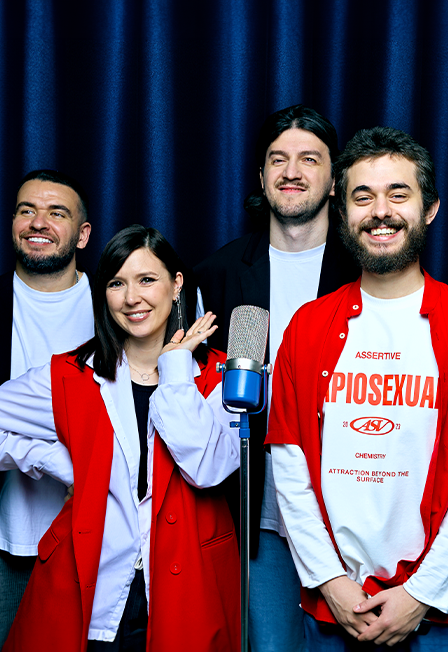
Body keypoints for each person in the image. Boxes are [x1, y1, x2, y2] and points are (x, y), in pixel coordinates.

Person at [0, 224, 240, 651]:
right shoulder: (72, 375)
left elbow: (206, 469)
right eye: (116, 283)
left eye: (146, 279)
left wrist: (176, 369)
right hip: (90, 582)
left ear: (176, 284)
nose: (132, 298)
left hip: (189, 588)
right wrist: (52, 460)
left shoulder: (222, 377)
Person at [267, 126, 448, 650]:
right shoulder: (308, 325)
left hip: (434, 612)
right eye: (362, 197)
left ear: (429, 209)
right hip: (335, 610)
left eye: (399, 194)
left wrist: (422, 592)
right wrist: (331, 582)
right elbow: (289, 466)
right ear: (342, 211)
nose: (380, 211)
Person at [194, 104, 359, 651]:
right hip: (256, 508)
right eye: (278, 159)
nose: (291, 171)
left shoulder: (367, 268)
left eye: (309, 159)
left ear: (334, 179)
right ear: (261, 176)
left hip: (350, 502)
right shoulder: (217, 274)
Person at [0, 169, 94, 646]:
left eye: (56, 213)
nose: (38, 223)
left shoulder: (119, 306)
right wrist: (43, 455)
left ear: (82, 234)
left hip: (101, 543)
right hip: (7, 545)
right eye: (26, 211)